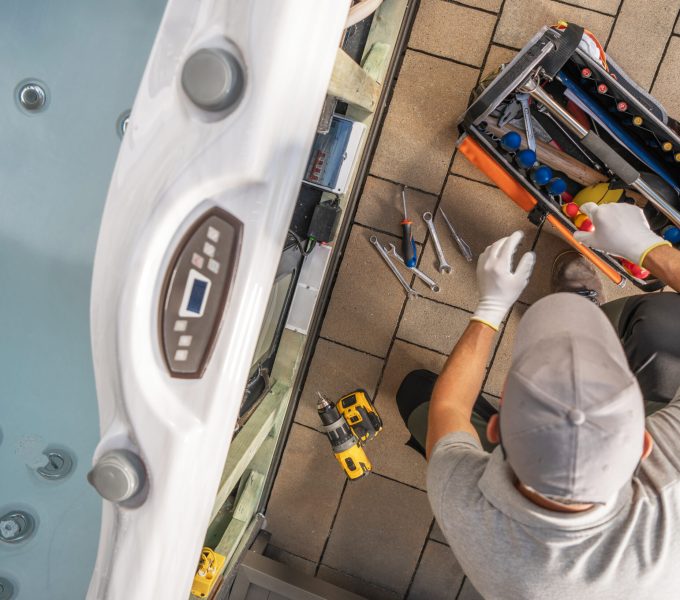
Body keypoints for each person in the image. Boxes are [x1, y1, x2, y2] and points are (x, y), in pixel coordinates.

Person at [397, 201, 680, 599]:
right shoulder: (671, 483)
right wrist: (649, 249)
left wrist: (491, 306)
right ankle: (593, 315)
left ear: (496, 427)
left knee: (419, 397)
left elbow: (447, 408)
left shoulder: (466, 507)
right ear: (645, 443)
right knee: (668, 325)